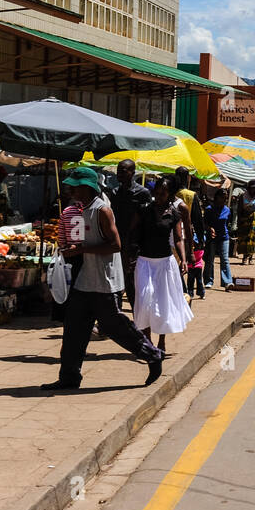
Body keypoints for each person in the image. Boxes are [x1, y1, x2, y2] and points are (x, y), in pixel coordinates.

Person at [44, 167, 163, 390]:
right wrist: (72, 249)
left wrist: (80, 251)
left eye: (76, 186)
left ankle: (152, 355)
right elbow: (81, 241)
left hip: (104, 281)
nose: (71, 189)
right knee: (73, 330)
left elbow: (115, 245)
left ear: (87, 188)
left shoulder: (102, 210)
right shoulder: (79, 210)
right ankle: (69, 376)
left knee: (115, 325)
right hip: (83, 281)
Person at [132, 178, 192, 355]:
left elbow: (179, 238)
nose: (158, 197)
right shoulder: (143, 211)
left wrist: (184, 259)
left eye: (162, 194)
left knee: (163, 303)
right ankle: (148, 341)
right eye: (156, 193)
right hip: (144, 263)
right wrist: (130, 255)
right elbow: (132, 233)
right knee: (144, 301)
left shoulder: (173, 214)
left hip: (165, 264)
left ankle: (161, 341)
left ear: (169, 195)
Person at [110, 159, 151, 310]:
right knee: (116, 285)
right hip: (117, 244)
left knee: (133, 286)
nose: (119, 173)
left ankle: (139, 323)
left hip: (135, 247)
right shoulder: (114, 193)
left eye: (123, 170)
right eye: (118, 170)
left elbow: (147, 221)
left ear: (133, 173)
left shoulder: (143, 193)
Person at [203, 186, 233, 290]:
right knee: (210, 259)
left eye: (226, 197)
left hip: (224, 237)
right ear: (217, 197)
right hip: (212, 238)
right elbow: (204, 223)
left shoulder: (227, 210)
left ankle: (227, 282)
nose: (224, 199)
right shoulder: (209, 209)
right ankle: (208, 280)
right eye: (223, 197)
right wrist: (210, 228)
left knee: (224, 259)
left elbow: (227, 222)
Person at [235, 180, 255, 265]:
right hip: (244, 219)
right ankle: (245, 256)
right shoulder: (243, 196)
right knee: (244, 239)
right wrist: (238, 221)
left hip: (254, 219)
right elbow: (239, 210)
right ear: (251, 187)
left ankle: (250, 257)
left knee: (252, 238)